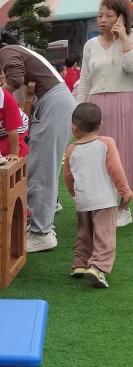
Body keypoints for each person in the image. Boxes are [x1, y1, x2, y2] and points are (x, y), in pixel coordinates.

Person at [0, 31, 76, 252]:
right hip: (55, 103)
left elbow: (16, 79)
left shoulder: (8, 51)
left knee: (41, 169)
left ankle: (42, 232)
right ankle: (43, 225)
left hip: (54, 104)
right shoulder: (16, 51)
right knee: (42, 167)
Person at [63, 102, 133, 289]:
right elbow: (115, 169)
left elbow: (68, 177)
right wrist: (125, 191)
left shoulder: (71, 149)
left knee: (84, 233)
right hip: (104, 200)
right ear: (100, 124)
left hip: (83, 200)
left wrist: (74, 193)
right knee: (104, 235)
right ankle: (97, 267)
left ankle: (79, 264)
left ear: (74, 128)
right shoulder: (106, 143)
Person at [77, 0, 133, 225]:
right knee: (97, 155)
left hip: (125, 104)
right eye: (100, 15)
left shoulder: (130, 39)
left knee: (124, 154)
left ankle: (124, 206)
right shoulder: (90, 45)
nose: (102, 20)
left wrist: (124, 39)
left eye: (109, 16)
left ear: (122, 18)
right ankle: (101, 204)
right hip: (96, 105)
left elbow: (130, 67)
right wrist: (79, 111)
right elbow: (84, 80)